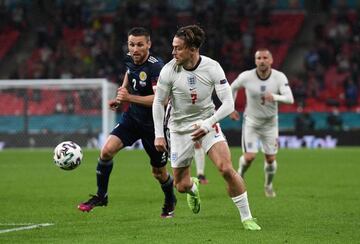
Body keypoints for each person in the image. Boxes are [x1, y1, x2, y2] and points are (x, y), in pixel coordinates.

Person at [152, 24, 261, 230]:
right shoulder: (169, 70)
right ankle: (193, 188)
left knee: (226, 169)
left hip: (207, 121)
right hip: (178, 129)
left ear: (193, 49)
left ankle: (247, 218)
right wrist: (159, 134)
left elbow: (228, 104)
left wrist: (208, 123)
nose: (173, 52)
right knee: (181, 186)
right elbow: (158, 102)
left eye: (178, 48)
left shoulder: (212, 67)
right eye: (173, 47)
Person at [78, 27, 177, 218]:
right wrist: (120, 94)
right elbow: (129, 73)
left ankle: (170, 199)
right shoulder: (130, 58)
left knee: (158, 172)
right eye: (132, 44)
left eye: (140, 44)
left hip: (154, 126)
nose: (135, 49)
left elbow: (162, 101)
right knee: (106, 151)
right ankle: (101, 196)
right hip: (132, 118)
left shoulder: (157, 68)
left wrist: (128, 98)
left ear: (149, 44)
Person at [230, 48, 294, 198]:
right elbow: (232, 87)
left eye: (265, 58)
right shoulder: (246, 76)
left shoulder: (279, 77)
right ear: (255, 61)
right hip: (252, 122)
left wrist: (275, 97)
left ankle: (268, 185)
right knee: (249, 157)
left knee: (271, 159)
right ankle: (239, 176)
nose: (262, 61)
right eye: (259, 58)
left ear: (271, 60)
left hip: (271, 124)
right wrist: (231, 108)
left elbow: (290, 99)